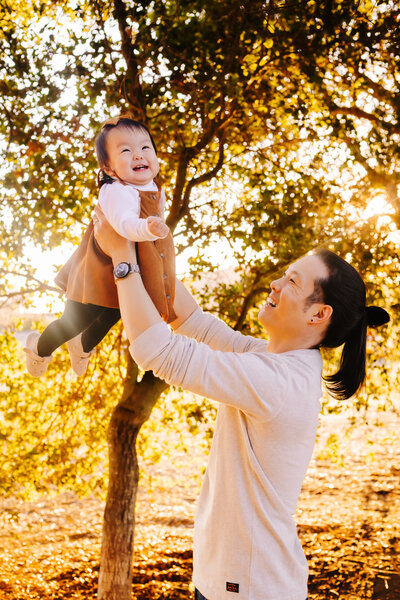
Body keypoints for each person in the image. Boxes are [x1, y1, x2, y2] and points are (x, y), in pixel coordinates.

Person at [93, 205, 389, 600]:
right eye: (284, 275)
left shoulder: (276, 381)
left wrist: (123, 262)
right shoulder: (274, 361)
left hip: (251, 588)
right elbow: (192, 321)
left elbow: (157, 352)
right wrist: (146, 236)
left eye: (292, 283)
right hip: (230, 581)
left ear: (319, 314)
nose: (276, 284)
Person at [24, 115, 176, 377]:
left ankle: (83, 346)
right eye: (126, 151)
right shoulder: (117, 191)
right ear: (109, 168)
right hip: (99, 265)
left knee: (114, 314)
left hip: (127, 263)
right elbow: (124, 224)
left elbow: (153, 214)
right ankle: (38, 347)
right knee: (78, 319)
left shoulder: (153, 187)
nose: (138, 155)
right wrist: (148, 228)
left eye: (145, 147)